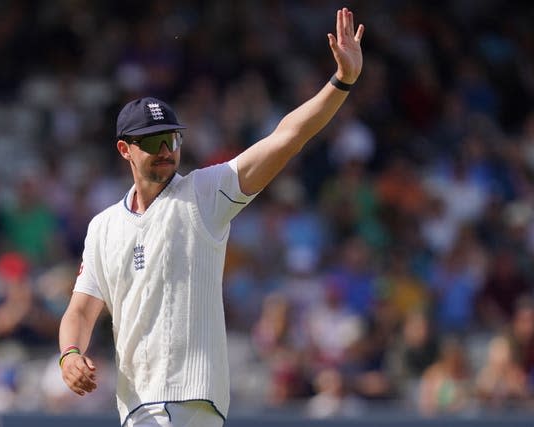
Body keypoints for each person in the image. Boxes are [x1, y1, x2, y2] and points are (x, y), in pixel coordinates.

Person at [58, 8, 365, 427]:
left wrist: (340, 82)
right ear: (125, 150)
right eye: (153, 142)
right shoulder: (103, 227)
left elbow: (286, 137)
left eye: (172, 138)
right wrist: (70, 354)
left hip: (189, 402)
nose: (167, 149)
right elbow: (80, 311)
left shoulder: (204, 192)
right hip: (135, 410)